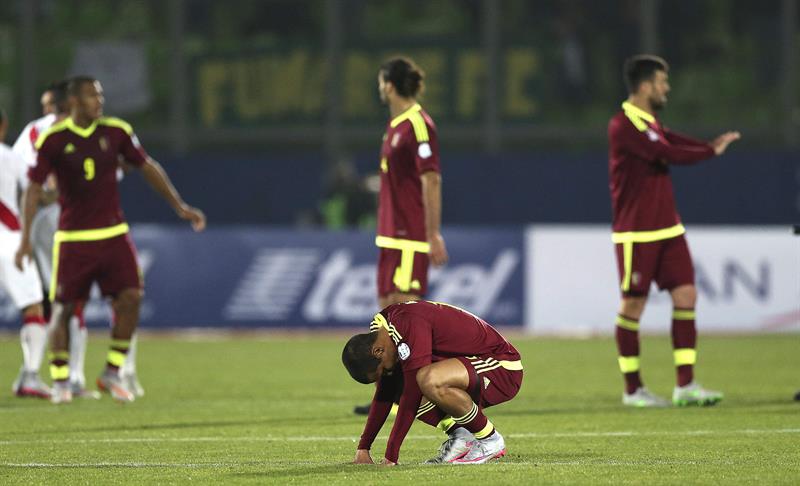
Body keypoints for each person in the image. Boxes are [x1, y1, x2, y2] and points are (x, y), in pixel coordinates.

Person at [15, 76, 206, 404]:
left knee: (131, 298)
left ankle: (113, 371)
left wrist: (180, 206)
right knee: (63, 309)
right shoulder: (54, 139)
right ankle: (61, 379)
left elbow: (146, 166)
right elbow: (33, 189)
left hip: (114, 234)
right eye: (91, 95)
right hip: (73, 238)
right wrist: (25, 239)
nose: (99, 101)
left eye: (100, 94)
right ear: (74, 101)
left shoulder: (116, 132)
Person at [607, 55, 740, 407]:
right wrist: (708, 152)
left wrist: (708, 145)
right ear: (647, 85)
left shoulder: (649, 122)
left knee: (686, 296)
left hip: (668, 228)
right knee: (633, 304)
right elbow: (665, 150)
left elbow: (670, 138)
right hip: (637, 233)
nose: (667, 88)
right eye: (662, 82)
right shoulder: (623, 125)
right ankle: (633, 389)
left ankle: (686, 385)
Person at [354, 56, 449, 416]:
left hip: (410, 236)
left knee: (407, 316)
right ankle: (388, 392)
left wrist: (432, 233)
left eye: (381, 81)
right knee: (385, 315)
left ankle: (412, 393)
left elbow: (432, 179)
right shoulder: (394, 126)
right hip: (390, 235)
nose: (380, 87)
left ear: (389, 85)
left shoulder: (418, 124)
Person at [343, 301, 523, 465]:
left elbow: (413, 392)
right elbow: (386, 390)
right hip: (466, 366)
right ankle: (462, 436)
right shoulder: (382, 328)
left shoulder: (406, 322)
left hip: (500, 366)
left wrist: (391, 455)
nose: (386, 374)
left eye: (382, 370)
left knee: (427, 380)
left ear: (378, 351)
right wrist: (363, 448)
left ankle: (490, 440)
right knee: (401, 381)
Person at [0, 109, 51, 398]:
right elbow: (36, 191)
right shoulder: (10, 157)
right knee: (33, 307)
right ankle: (30, 376)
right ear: (4, 126)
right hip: (9, 242)